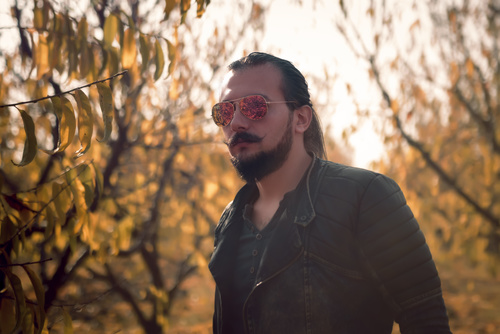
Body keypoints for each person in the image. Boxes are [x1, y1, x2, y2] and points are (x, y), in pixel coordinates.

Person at [208, 52, 451, 334]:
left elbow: (427, 320)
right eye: (224, 112)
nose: (236, 122)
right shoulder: (230, 220)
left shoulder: (365, 197)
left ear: (300, 119)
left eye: (253, 106)